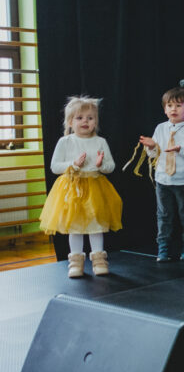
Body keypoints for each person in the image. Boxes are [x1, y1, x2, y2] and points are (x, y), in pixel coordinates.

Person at [39, 96, 122, 277]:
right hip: (72, 188)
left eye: (90, 118)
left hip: (95, 187)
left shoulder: (100, 142)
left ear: (95, 122)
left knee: (96, 225)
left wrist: (100, 165)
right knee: (74, 226)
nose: (85, 121)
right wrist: (74, 164)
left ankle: (99, 260)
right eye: (79, 118)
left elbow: (111, 166)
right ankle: (75, 262)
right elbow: (55, 167)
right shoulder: (65, 142)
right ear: (70, 122)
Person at [140, 87, 184, 262]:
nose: (174, 109)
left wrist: (180, 149)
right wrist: (151, 147)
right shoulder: (160, 128)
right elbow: (153, 155)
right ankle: (163, 248)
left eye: (179, 105)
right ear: (165, 109)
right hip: (163, 180)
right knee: (164, 215)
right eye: (170, 105)